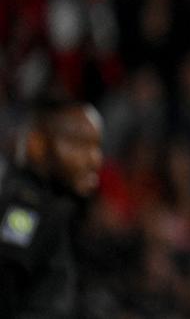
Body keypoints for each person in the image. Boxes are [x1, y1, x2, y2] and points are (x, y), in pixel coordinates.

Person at [0, 99, 103, 318]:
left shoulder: (59, 209)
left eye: (96, 146)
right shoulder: (28, 207)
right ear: (37, 144)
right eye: (79, 145)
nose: (94, 159)